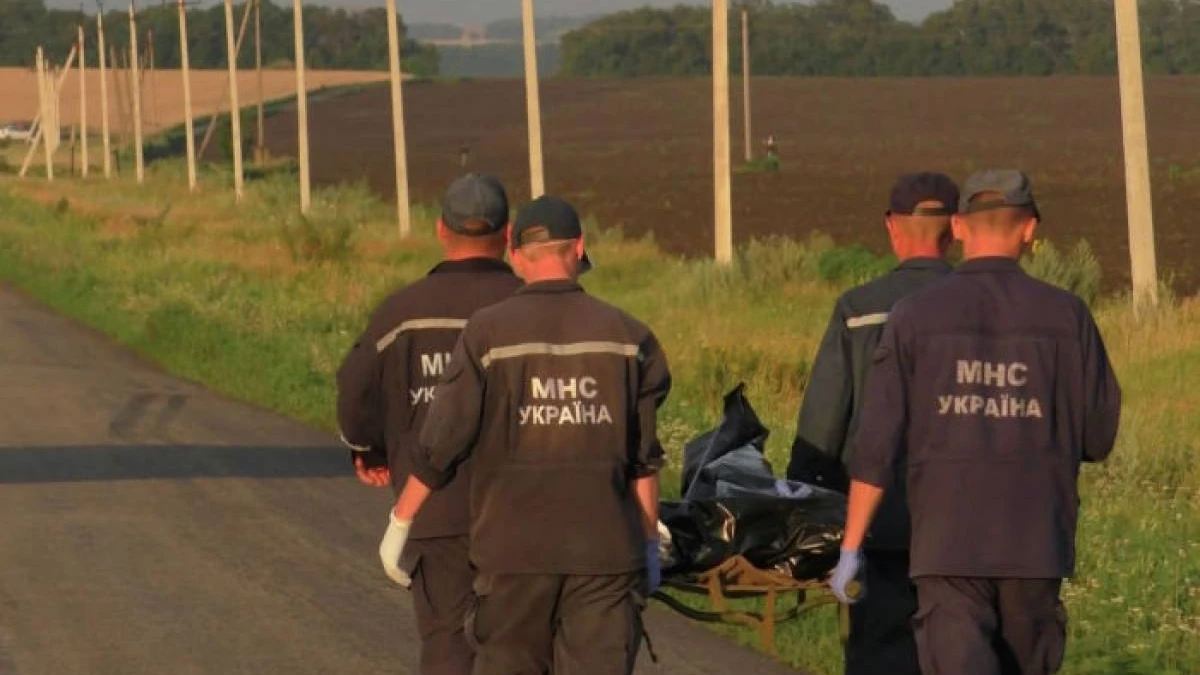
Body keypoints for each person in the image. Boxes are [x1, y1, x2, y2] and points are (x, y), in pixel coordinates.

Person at [829, 170, 1122, 675]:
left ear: (960, 227)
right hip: (1036, 543)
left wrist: (851, 545)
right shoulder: (1069, 317)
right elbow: (1098, 437)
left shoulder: (914, 316)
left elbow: (875, 445)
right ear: (1029, 229)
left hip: (947, 543)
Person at [379, 195, 671, 675]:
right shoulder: (629, 338)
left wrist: (401, 521)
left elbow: (442, 440)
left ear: (515, 255)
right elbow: (643, 458)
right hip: (603, 557)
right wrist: (647, 544)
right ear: (579, 247)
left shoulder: (486, 334)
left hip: (511, 556)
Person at [336, 173, 524, 675]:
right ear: (508, 235)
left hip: (436, 511)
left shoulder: (402, 312)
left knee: (447, 641)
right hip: (525, 511)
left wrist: (370, 450)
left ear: (441, 230)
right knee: (523, 646)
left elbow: (355, 392)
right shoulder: (532, 308)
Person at [787, 172, 960, 675]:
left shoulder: (859, 310)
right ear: (955, 228)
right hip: (970, 533)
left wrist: (805, 517)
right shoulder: (987, 308)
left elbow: (822, 426)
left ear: (891, 226)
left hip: (881, 528)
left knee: (881, 655)